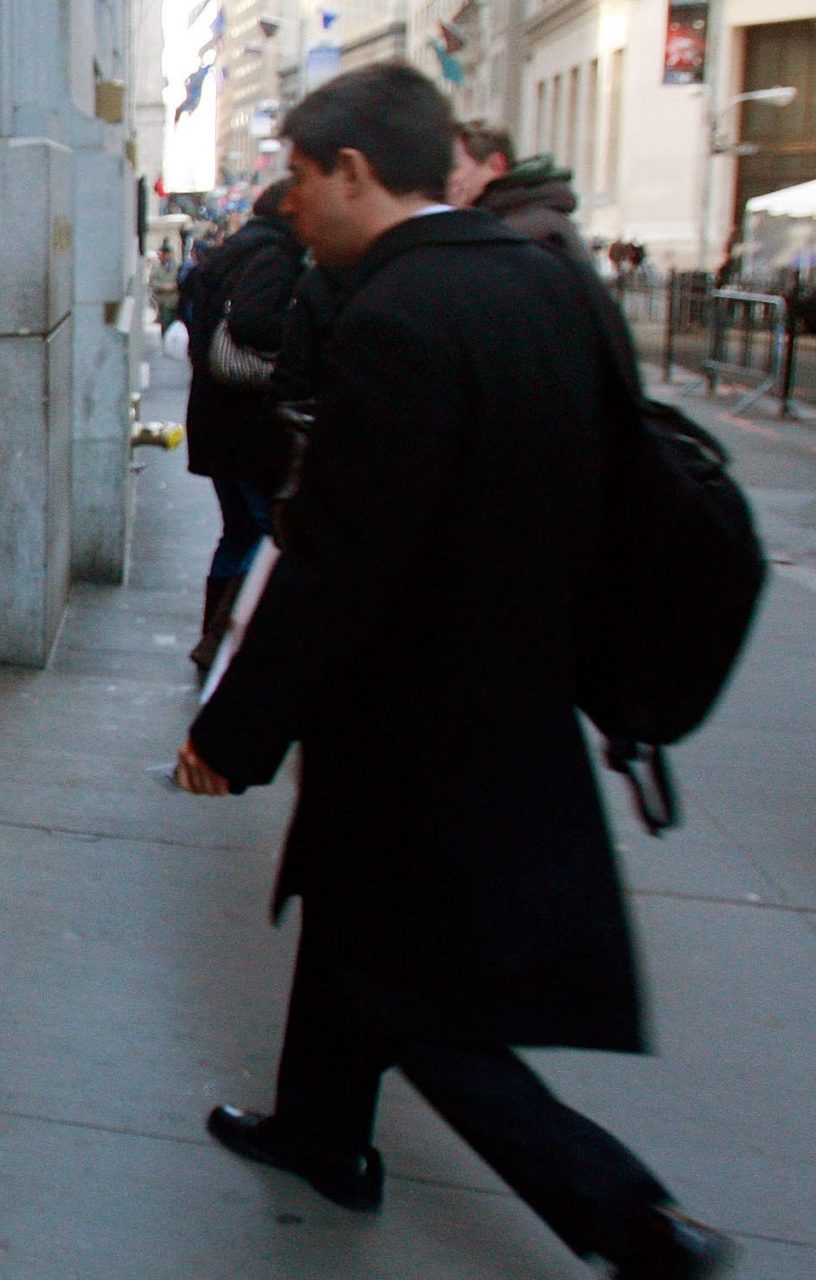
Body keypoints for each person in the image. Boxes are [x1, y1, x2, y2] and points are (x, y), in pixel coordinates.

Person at [171, 64, 737, 1279]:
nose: (291, 201)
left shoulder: (396, 320)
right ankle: (323, 1130)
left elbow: (339, 565)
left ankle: (632, 1216)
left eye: (301, 175)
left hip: (413, 723)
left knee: (414, 998)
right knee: (353, 925)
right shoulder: (546, 283)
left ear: (355, 172)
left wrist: (233, 731)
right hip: (515, 692)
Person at [181, 180, 305, 675]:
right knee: (256, 531)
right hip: (247, 425)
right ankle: (222, 639)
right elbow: (254, 323)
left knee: (238, 532)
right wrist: (300, 335)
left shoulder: (232, 251)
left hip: (217, 419)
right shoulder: (275, 258)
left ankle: (214, 636)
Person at [449, 119, 586, 263]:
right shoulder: (520, 219)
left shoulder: (520, 233)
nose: (445, 177)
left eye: (454, 167)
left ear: (495, 165)